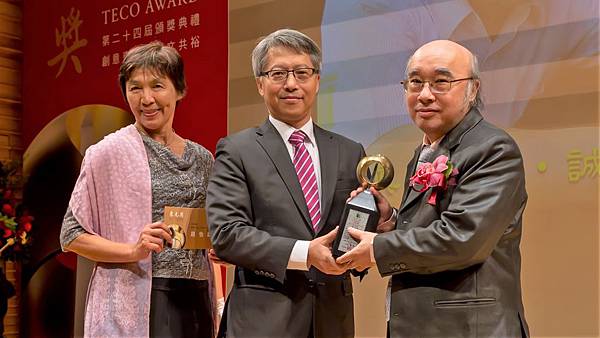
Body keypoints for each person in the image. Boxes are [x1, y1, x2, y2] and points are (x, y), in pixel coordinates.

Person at [337, 40, 530, 337]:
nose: (425, 95)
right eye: (415, 82)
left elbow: (463, 238)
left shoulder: (493, 149)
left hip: (468, 329)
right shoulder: (426, 151)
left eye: (441, 82)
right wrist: (390, 222)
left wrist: (376, 248)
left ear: (473, 89)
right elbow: (432, 224)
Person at [206, 29, 365, 338]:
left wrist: (373, 235)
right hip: (263, 321)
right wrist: (305, 253)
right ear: (260, 83)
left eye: (302, 73)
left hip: (333, 321)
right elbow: (227, 233)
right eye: (278, 73)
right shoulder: (237, 150)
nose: (291, 84)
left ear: (317, 81)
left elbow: (355, 230)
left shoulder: (350, 151)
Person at [59, 41, 219, 337]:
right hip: (140, 296)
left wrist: (217, 298)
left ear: (179, 90)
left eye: (157, 86)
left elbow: (207, 241)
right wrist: (133, 250)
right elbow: (71, 236)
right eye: (135, 88)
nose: (147, 99)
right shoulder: (106, 153)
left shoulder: (203, 158)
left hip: (194, 297)